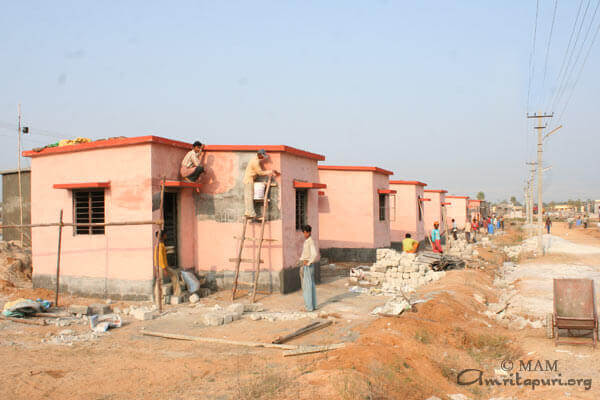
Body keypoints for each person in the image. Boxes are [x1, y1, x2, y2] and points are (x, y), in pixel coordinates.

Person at [243, 149, 279, 219]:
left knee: (247, 197)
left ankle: (248, 212)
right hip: (249, 180)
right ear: (259, 154)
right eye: (262, 156)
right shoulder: (255, 162)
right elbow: (260, 173)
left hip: (248, 180)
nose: (263, 158)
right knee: (249, 197)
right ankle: (251, 213)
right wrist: (270, 172)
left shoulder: (255, 159)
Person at [154, 231, 181, 300]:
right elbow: (160, 258)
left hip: (164, 266)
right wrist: (164, 269)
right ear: (162, 236)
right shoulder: (159, 245)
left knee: (174, 275)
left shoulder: (161, 244)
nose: (166, 236)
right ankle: (158, 297)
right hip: (161, 266)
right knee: (160, 281)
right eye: (165, 235)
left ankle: (176, 292)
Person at [299, 225, 317, 312]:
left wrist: (308, 262)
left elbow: (314, 254)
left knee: (307, 286)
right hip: (306, 264)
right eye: (304, 232)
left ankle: (309, 307)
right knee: (310, 285)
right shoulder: (307, 241)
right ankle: (312, 306)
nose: (304, 234)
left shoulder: (310, 242)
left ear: (309, 232)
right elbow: (305, 254)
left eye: (305, 232)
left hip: (308, 266)